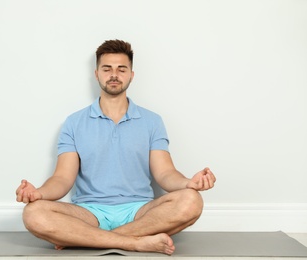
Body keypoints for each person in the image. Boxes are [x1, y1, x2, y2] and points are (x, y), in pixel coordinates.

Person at [16, 39, 216, 255]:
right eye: (107, 69)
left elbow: (165, 173)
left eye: (121, 69)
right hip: (88, 212)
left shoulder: (152, 121)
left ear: (131, 74)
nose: (114, 75)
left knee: (191, 201)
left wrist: (189, 183)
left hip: (139, 210)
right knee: (33, 213)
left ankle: (85, 239)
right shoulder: (74, 122)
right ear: (96, 74)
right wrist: (39, 193)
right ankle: (135, 242)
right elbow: (62, 179)